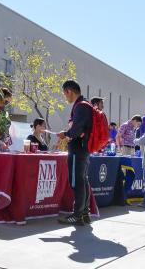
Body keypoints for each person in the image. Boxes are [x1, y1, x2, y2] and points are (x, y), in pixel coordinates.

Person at [57, 80, 92, 225]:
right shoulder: (85, 104)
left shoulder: (80, 106)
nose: (66, 98)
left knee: (77, 182)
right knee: (83, 180)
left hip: (77, 149)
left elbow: (77, 130)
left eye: (65, 94)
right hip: (83, 148)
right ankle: (84, 213)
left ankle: (77, 214)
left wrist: (65, 134)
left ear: (69, 91)